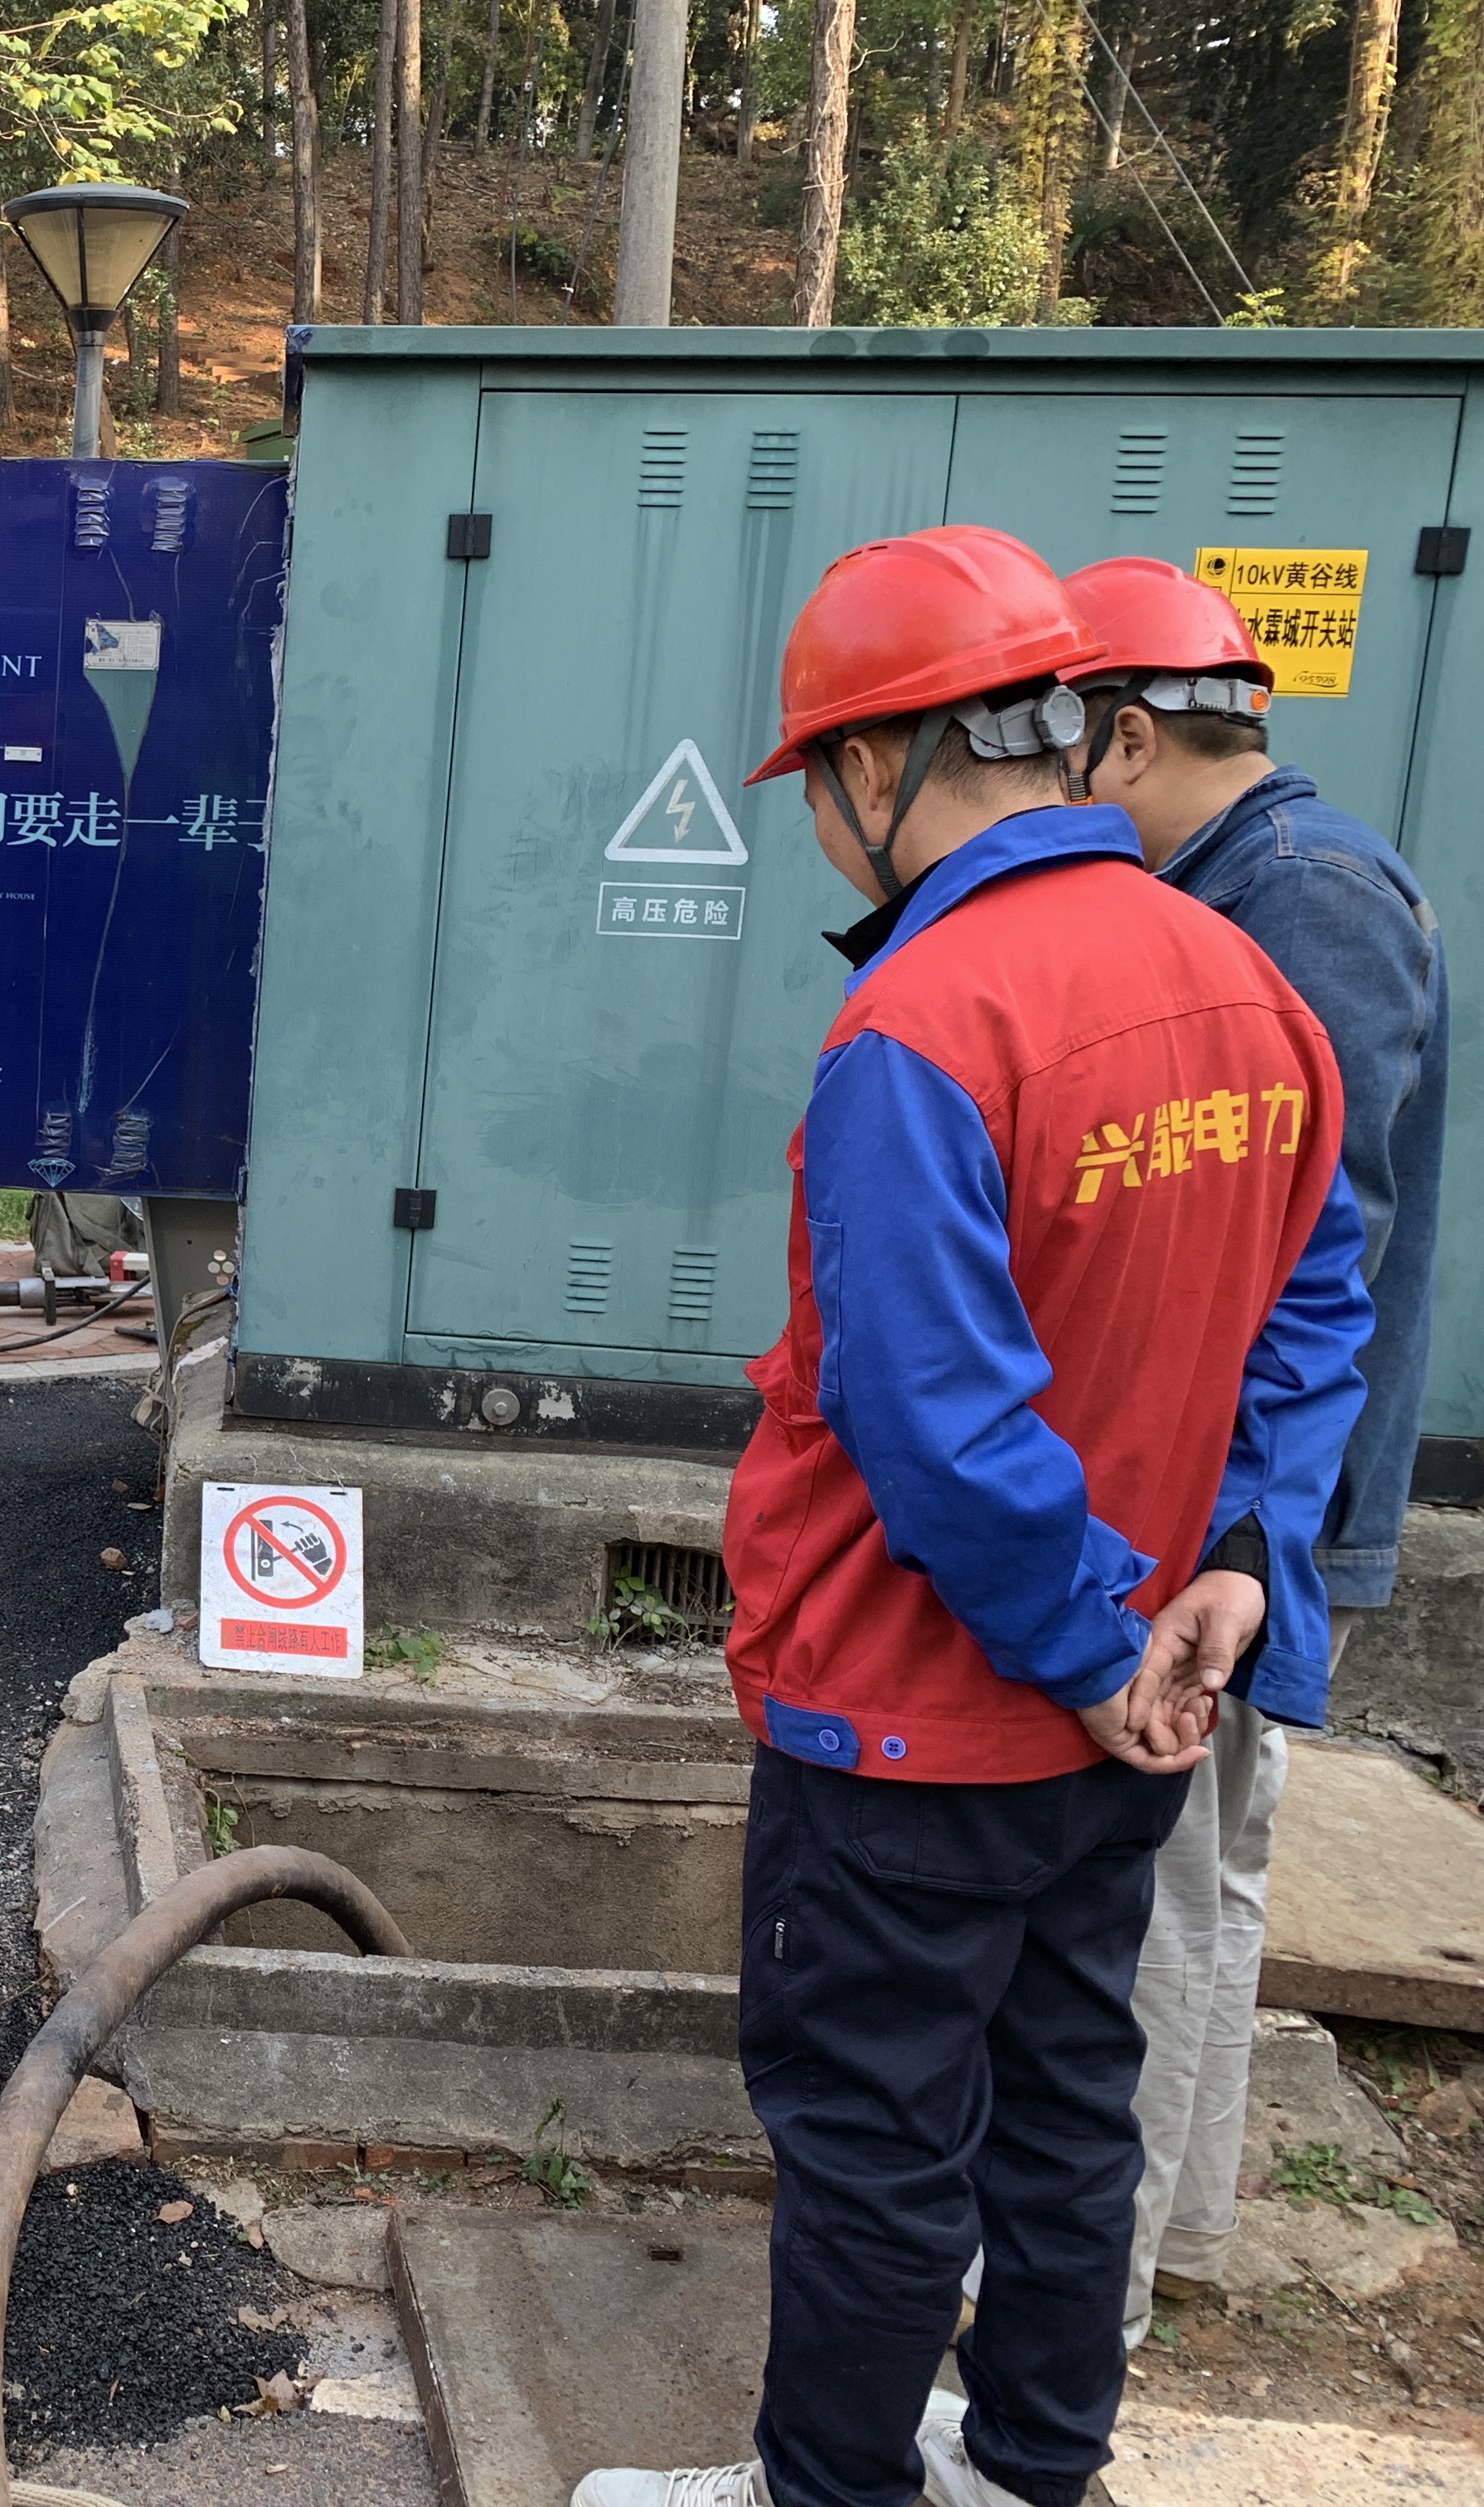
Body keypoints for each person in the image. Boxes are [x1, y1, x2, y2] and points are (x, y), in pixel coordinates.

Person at [573, 528, 1370, 2507]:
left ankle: (829, 2490)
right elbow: (1315, 1309)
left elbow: (936, 1419)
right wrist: (1236, 1577)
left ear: (874, 768)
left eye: (820, 791)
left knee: (871, 2137)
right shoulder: (1247, 990)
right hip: (1132, 1725)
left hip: (917, 1711)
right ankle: (1034, 2467)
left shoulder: (919, 1031)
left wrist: (1098, 1638)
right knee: (1065, 2104)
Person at [1060, 555, 1449, 2344]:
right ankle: (1154, 2244)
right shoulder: (1258, 883)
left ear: (1126, 734)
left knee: (1160, 1883)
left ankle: (1091, 2297)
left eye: (1049, 751)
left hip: (1239, 1512)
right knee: (1191, 1871)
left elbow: (1305, 1262)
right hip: (1231, 1504)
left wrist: (1231, 1542)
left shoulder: (1299, 902)